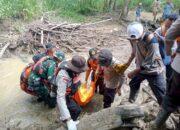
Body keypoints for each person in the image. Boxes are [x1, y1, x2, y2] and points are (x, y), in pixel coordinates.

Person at [126, 22, 166, 105]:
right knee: (133, 84)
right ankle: (131, 102)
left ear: (141, 33)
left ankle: (166, 110)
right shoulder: (133, 38)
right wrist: (127, 63)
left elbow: (148, 63)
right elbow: (134, 52)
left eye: (137, 39)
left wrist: (133, 72)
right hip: (140, 69)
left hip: (153, 70)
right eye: (133, 40)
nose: (135, 41)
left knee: (160, 94)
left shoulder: (152, 41)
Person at [151, 18, 180, 130]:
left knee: (171, 97)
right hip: (171, 61)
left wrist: (170, 54)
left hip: (177, 66)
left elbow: (169, 37)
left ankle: (156, 125)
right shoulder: (159, 30)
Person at [56, 55, 88, 130]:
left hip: (71, 84)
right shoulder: (63, 76)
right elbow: (60, 97)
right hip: (64, 91)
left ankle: (71, 119)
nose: (81, 72)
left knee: (77, 109)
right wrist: (68, 120)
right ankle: (66, 120)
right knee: (76, 110)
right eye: (80, 71)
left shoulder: (76, 61)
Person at [154, 14, 178, 84]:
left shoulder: (176, 32)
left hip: (171, 56)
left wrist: (162, 40)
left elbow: (174, 47)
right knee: (157, 72)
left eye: (169, 27)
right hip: (160, 54)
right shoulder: (160, 30)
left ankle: (169, 84)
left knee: (169, 74)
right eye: (166, 25)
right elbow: (154, 35)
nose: (167, 28)